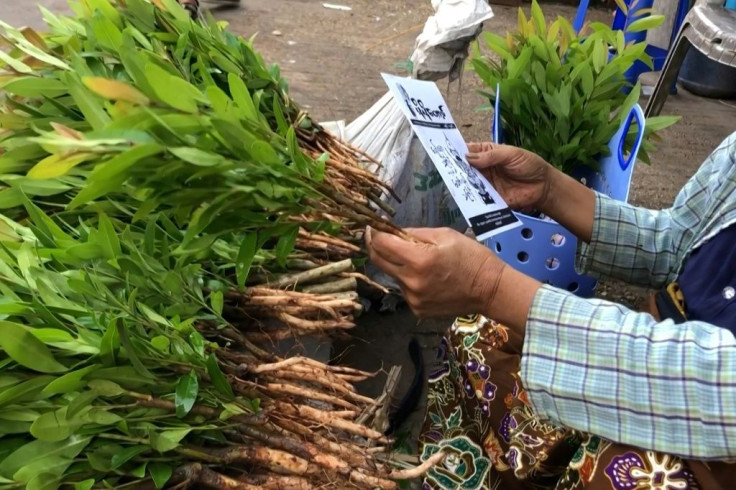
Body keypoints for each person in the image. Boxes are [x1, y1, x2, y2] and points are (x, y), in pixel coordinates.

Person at [366, 134, 736, 489]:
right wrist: (548, 188)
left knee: (621, 468)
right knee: (478, 334)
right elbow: (674, 240)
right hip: (660, 338)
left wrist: (491, 285)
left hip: (706, 419)